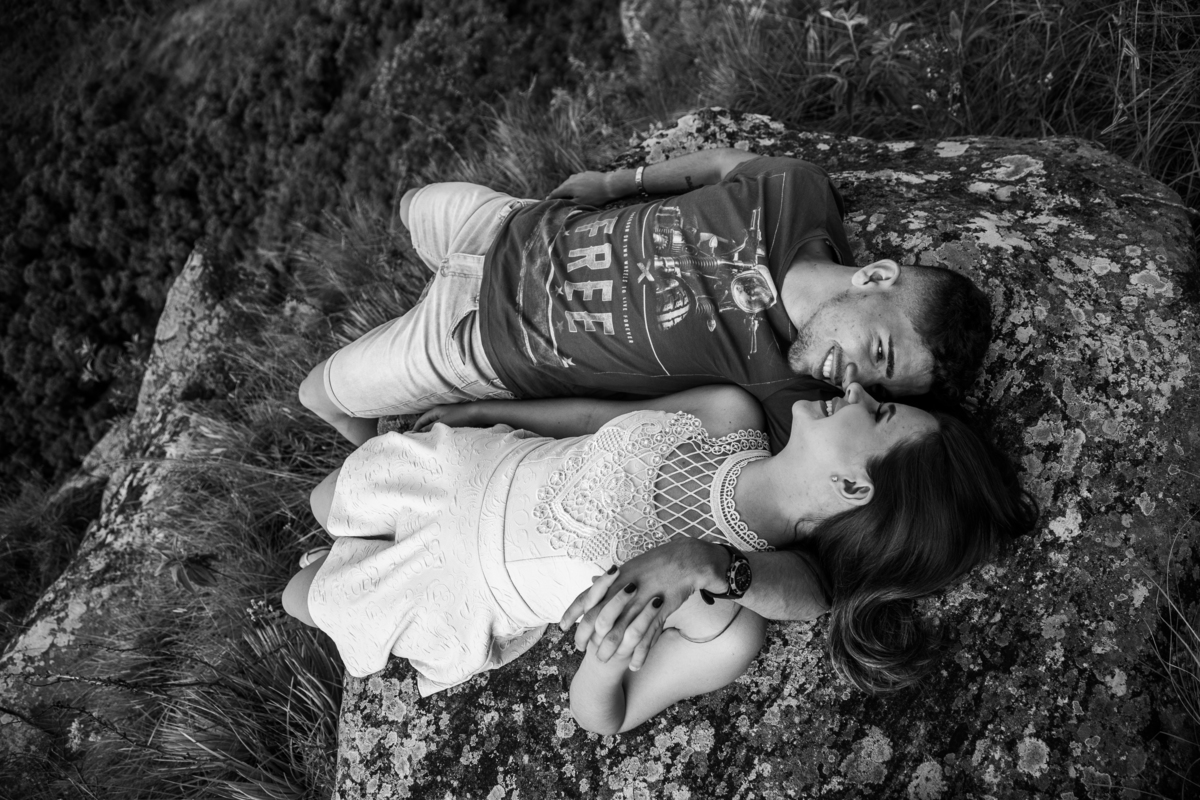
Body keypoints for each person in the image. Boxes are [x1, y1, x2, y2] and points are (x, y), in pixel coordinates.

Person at [283, 385, 1035, 732]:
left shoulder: (724, 625)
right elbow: (592, 416)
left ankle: (325, 563)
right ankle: (337, 528)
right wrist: (486, 411)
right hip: (472, 468)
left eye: (878, 412)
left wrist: (607, 653)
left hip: (464, 583)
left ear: (852, 486)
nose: (860, 389)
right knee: (324, 498)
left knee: (300, 593)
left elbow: (602, 716)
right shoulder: (730, 415)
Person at [298, 148, 994, 453]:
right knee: (411, 202)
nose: (857, 383)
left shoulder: (787, 397)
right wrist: (616, 181)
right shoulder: (800, 193)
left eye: (880, 388)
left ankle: (374, 484)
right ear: (875, 276)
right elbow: (723, 165)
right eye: (881, 352)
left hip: (475, 340)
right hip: (510, 223)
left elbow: (608, 417)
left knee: (321, 397)